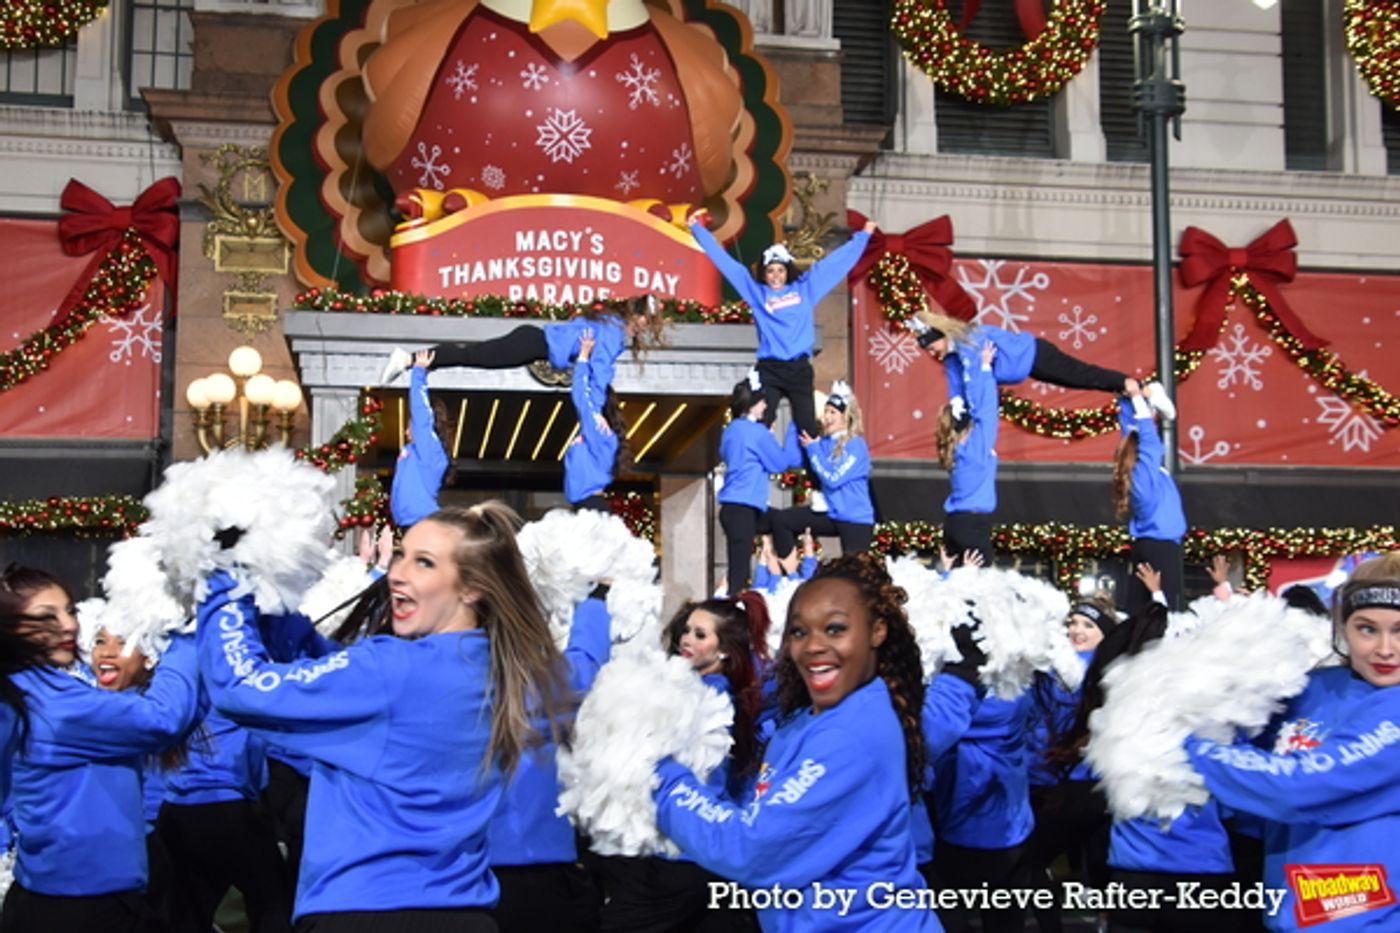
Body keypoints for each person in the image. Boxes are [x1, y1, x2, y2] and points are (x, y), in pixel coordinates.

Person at [195, 503, 572, 932]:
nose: (397, 573)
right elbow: (368, 689)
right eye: (400, 555)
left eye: (424, 563)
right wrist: (288, 622)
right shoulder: (498, 667)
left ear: (472, 588)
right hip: (464, 913)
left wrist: (227, 579)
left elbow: (239, 687)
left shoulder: (392, 669)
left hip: (366, 910)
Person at [650, 553, 937, 932]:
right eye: (800, 632)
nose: (814, 646)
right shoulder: (812, 718)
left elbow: (750, 848)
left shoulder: (850, 735)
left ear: (877, 632)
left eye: (835, 629)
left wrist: (658, 773)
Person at [1184, 552, 1400, 933]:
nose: (1384, 648)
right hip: (1289, 911)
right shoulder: (1318, 687)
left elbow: (1300, 785)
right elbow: (1253, 774)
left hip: (1369, 921)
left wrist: (1183, 748)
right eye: (1366, 628)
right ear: (1343, 628)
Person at [0, 564, 202, 932]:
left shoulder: (32, 689)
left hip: (57, 896)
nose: (69, 626)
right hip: (80, 906)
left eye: (70, 611)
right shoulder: (56, 705)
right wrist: (182, 633)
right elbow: (162, 719)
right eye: (46, 617)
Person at [1053, 606, 1239, 933]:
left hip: (1135, 874)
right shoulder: (1219, 722)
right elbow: (1238, 800)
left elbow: (1085, 801)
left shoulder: (1118, 722)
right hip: (1202, 872)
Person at [598, 597, 765, 932]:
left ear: (725, 651)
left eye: (700, 635)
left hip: (682, 853)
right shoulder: (717, 692)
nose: (686, 639)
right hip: (709, 855)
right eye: (686, 630)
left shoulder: (702, 695)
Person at [689, 211, 875, 438]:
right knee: (762, 423)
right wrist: (698, 230)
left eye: (780, 270)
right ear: (764, 274)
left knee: (807, 426)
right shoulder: (756, 293)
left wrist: (863, 237)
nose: (775, 276)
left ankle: (815, 472)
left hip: (799, 368)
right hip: (770, 368)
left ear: (788, 272)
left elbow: (835, 265)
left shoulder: (806, 288)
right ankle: (757, 470)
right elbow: (727, 264)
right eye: (770, 271)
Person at [380, 296, 667, 404]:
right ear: (636, 315)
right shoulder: (613, 331)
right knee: (472, 356)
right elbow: (600, 371)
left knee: (473, 356)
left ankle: (411, 359)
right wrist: (599, 409)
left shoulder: (608, 322)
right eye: (647, 321)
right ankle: (407, 358)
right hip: (532, 344)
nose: (645, 328)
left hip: (533, 344)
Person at [909, 310, 1176, 420]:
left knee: (1083, 376)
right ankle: (1141, 390)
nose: (931, 352)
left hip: (1036, 355)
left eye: (931, 346)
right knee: (1082, 379)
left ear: (942, 335)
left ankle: (1148, 389)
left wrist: (965, 403)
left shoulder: (971, 337)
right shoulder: (954, 358)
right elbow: (958, 382)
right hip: (1030, 367)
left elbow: (974, 374)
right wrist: (956, 403)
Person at [769, 382, 875, 565]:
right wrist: (798, 421)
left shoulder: (856, 445)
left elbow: (832, 479)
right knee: (781, 520)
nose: (827, 417)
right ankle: (789, 570)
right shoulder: (823, 442)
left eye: (833, 412)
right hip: (830, 514)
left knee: (855, 575)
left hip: (854, 518)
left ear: (846, 416)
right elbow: (792, 460)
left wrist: (813, 448)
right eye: (826, 411)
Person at [716, 372, 801, 596]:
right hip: (743, 509)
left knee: (779, 521)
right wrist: (792, 428)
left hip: (736, 509)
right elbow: (782, 463)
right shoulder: (757, 432)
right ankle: (788, 570)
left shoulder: (731, 430)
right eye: (762, 400)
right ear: (753, 404)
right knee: (739, 572)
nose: (765, 405)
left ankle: (785, 567)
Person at [1115, 384, 1187, 612]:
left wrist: (1127, 401)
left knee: (1141, 611)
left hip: (1151, 547)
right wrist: (1137, 397)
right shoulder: (1143, 477)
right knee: (1164, 613)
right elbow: (1148, 438)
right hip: (1160, 550)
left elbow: (1131, 431)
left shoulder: (1141, 473)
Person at [936, 341, 999, 567]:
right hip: (973, 527)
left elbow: (961, 400)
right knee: (981, 593)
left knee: (954, 592)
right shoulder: (976, 446)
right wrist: (984, 368)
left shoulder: (952, 447)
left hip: (953, 525)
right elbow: (987, 406)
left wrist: (953, 361)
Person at [564, 331, 627, 512]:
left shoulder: (600, 430)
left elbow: (582, 396)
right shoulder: (597, 432)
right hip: (584, 507)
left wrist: (583, 356)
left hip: (591, 508)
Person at [390, 349, 451, 529]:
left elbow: (421, 415)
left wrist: (419, 372)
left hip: (421, 523)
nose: (406, 432)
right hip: (409, 524)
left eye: (410, 426)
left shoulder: (429, 449)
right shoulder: (412, 452)